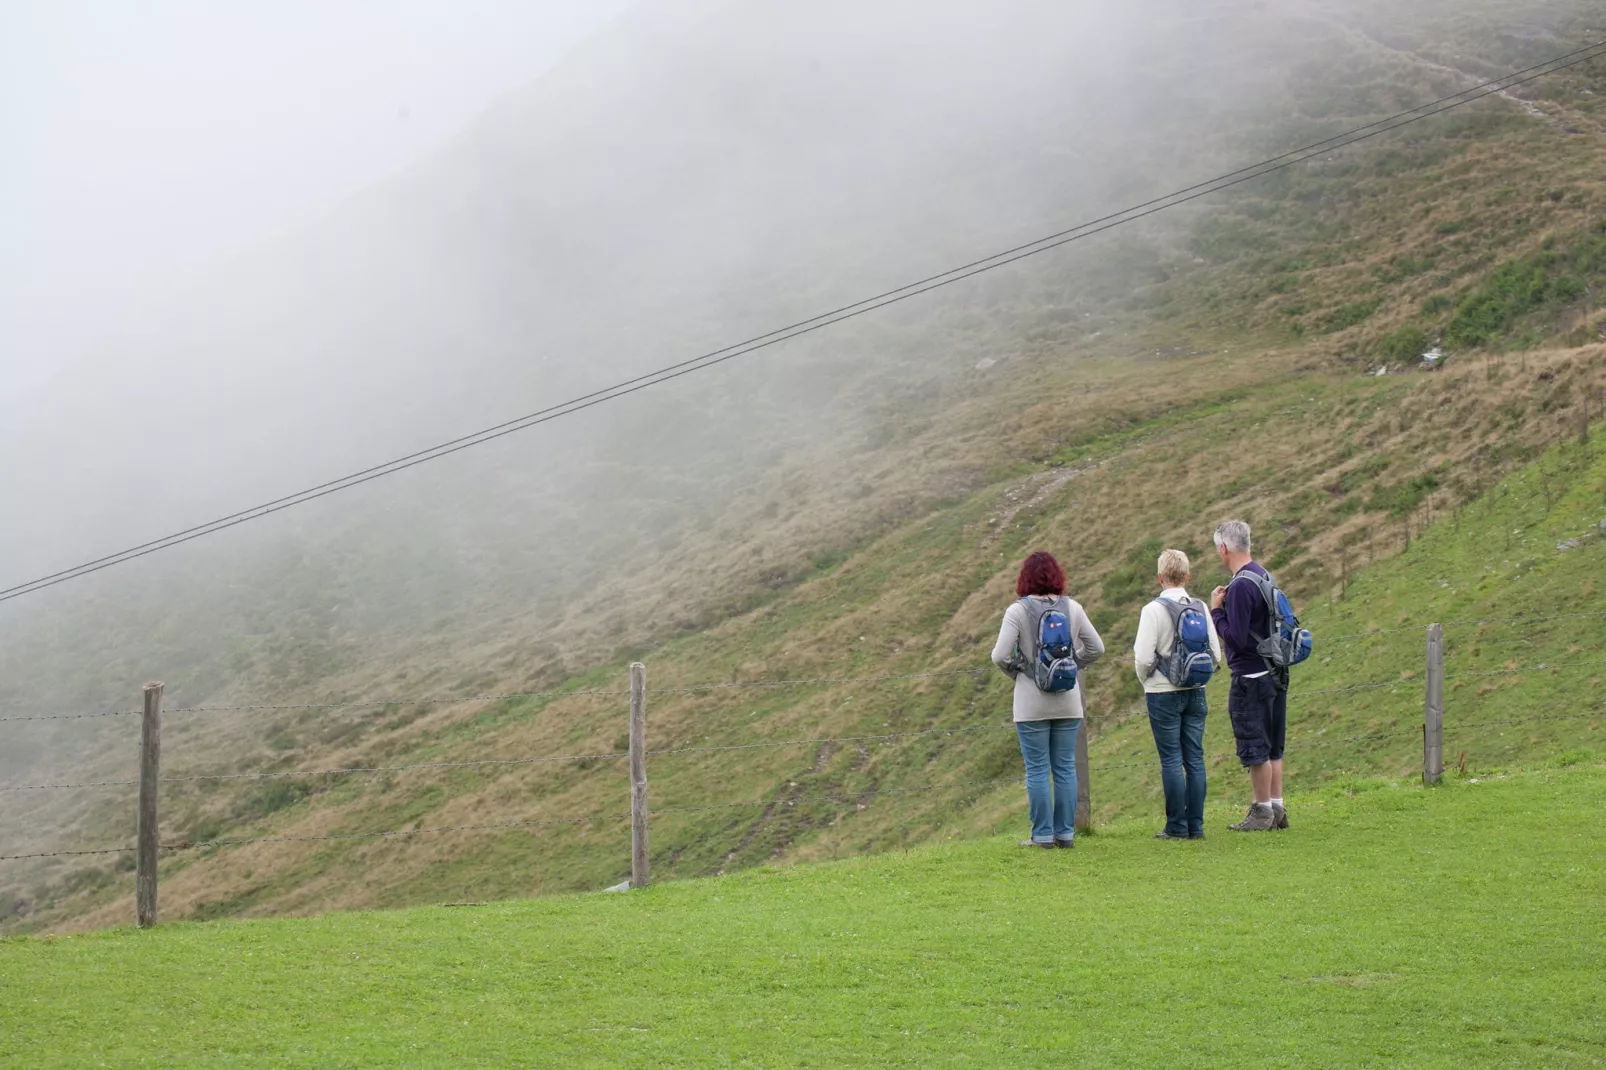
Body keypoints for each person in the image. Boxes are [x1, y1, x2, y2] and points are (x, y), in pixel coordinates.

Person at [991, 550, 1104, 848]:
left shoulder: (1017, 611)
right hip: (1068, 699)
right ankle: (1065, 834)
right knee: (1065, 766)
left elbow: (999, 655)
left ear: (1024, 579)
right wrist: (1071, 667)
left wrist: (1021, 673)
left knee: (1038, 768)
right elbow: (1097, 648)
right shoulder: (1073, 608)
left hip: (1031, 702)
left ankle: (1041, 835)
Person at [1133, 549, 1223, 840]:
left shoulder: (1152, 610)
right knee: (1195, 758)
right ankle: (1196, 826)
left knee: (1171, 759)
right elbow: (1216, 654)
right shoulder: (1199, 607)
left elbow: (1144, 658)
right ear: (1188, 576)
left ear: (1160, 577)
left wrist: (1146, 679)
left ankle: (1176, 826)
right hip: (1196, 691)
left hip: (1162, 692)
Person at [1208, 520, 1287, 831]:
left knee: (1255, 746)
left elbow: (1237, 638)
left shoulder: (1240, 585)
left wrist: (1216, 611)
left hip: (1250, 676)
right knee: (1273, 745)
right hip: (1275, 670)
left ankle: (1261, 810)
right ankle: (1277, 807)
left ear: (1224, 548)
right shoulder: (1263, 574)